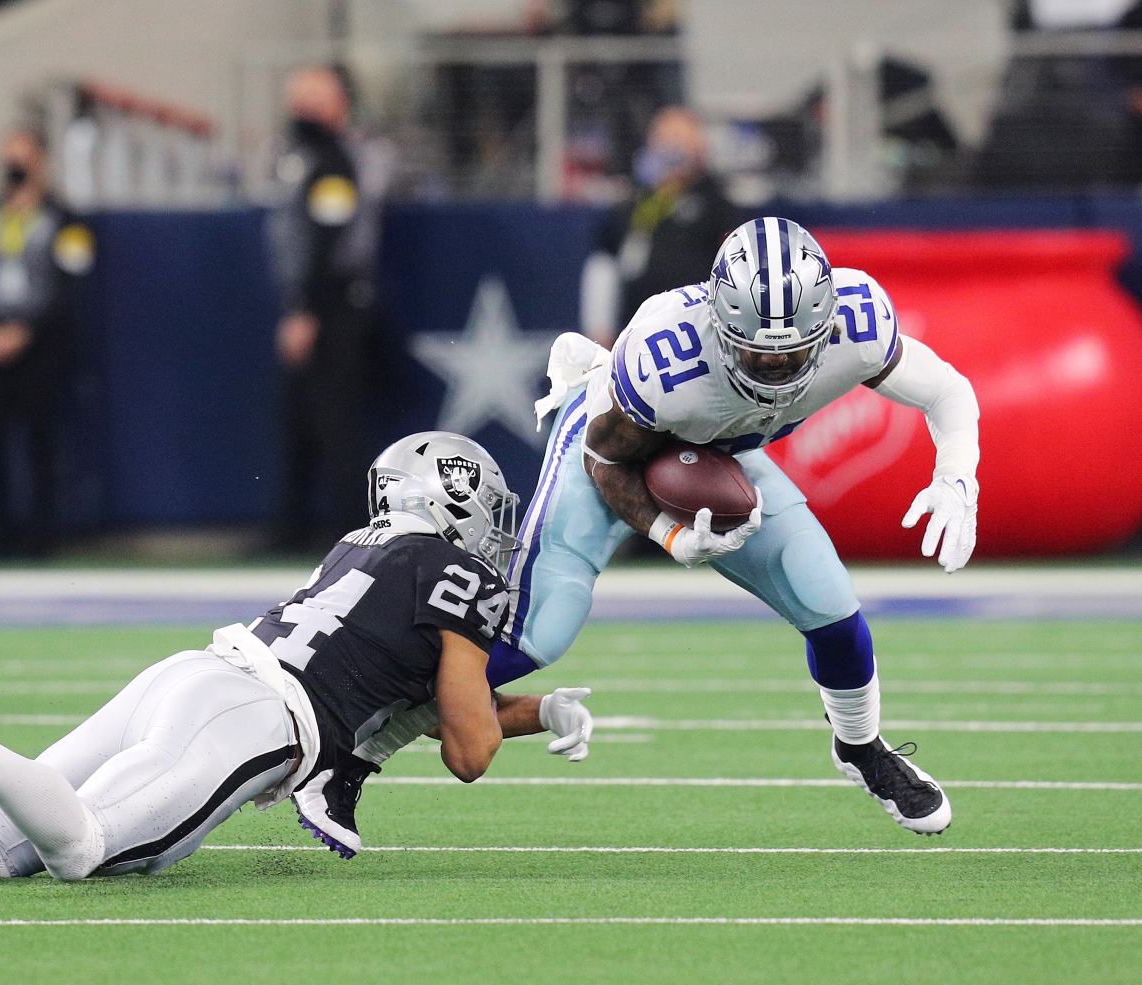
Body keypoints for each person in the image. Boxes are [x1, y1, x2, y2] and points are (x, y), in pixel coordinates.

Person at [0, 432, 596, 878]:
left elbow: (418, 693)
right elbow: (465, 744)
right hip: (256, 721)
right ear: (460, 505)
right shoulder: (455, 579)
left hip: (193, 673)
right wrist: (504, 679)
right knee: (83, 851)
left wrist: (541, 710)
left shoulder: (363, 545)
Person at [488, 217, 981, 837]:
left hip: (718, 449)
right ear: (720, 327)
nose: (777, 369)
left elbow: (948, 391)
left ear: (826, 325)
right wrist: (670, 535)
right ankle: (365, 717)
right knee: (542, 629)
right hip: (605, 449)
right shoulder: (666, 358)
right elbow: (606, 458)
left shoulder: (858, 323)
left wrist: (957, 477)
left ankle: (860, 748)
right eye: (756, 351)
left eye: (796, 351)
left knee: (827, 597)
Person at [265, 67, 389, 552]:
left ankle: (348, 534)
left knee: (336, 420)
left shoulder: (337, 158)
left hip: (332, 302)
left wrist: (304, 308)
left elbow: (327, 237)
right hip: (315, 300)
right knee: (300, 418)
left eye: (309, 101)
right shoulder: (306, 155)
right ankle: (292, 528)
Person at [0, 128, 94, 559]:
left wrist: (26, 331)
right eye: (9, 160)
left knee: (43, 437)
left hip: (42, 345)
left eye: (23, 160)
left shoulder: (64, 220)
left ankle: (43, 535)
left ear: (40, 163)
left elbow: (72, 283)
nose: (15, 170)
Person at [581, 107, 740, 348]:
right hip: (636, 333)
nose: (671, 150)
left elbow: (736, 271)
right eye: (664, 141)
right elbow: (603, 266)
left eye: (680, 141)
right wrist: (599, 330)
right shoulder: (634, 202)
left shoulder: (716, 205)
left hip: (697, 336)